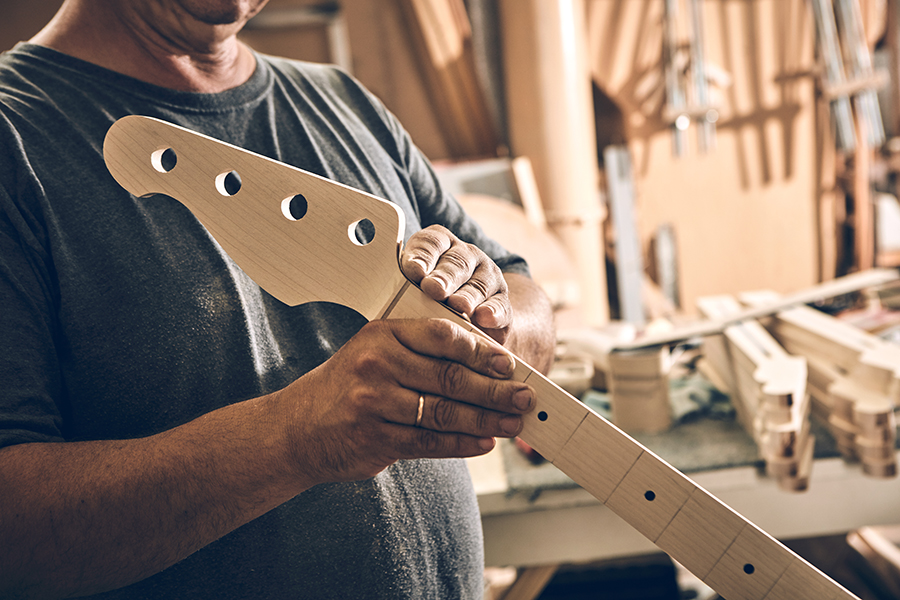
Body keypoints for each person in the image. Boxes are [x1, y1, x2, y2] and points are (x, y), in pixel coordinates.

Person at [0, 0, 555, 598]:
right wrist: (294, 437)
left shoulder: (345, 103)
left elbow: (526, 300)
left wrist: (486, 317)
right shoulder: (16, 137)